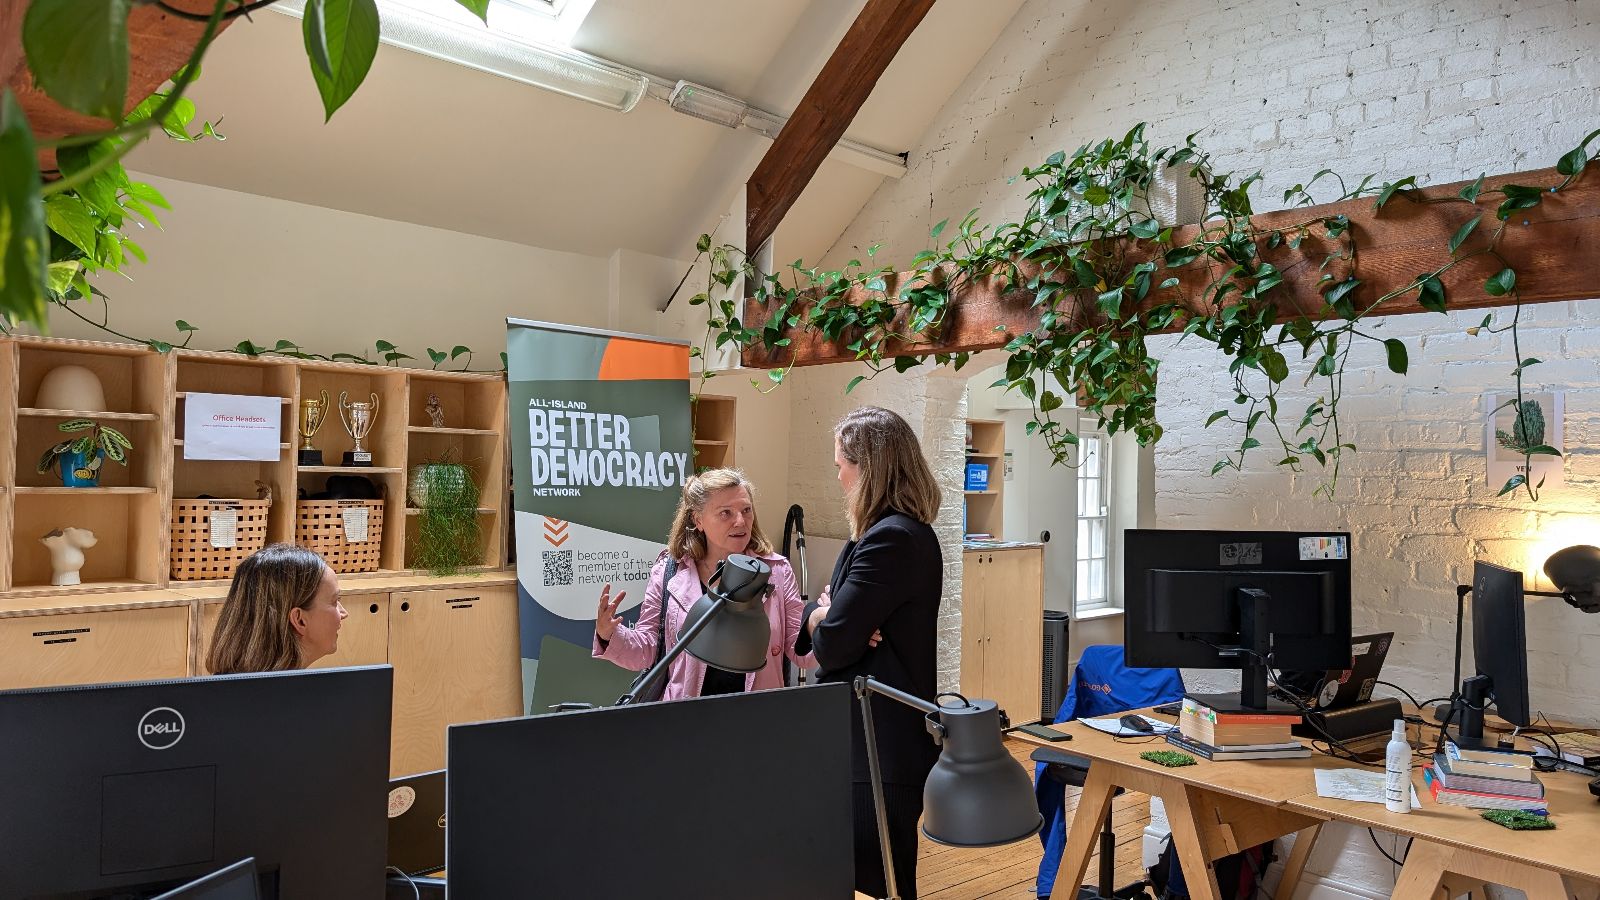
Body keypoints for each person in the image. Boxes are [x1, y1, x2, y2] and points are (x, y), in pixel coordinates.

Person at [795, 406, 943, 900]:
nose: (838, 476)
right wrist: (829, 617)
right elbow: (830, 628)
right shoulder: (889, 536)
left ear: (868, 467)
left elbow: (833, 643)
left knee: (882, 881)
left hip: (879, 742)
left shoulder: (892, 540)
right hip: (869, 738)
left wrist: (826, 617)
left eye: (841, 464)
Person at [593, 468, 822, 699]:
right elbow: (649, 648)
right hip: (688, 718)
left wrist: (821, 622)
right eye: (726, 513)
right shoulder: (669, 571)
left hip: (756, 717)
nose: (740, 521)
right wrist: (609, 634)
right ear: (698, 519)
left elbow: (799, 648)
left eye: (746, 510)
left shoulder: (777, 572)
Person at [207, 544, 348, 675]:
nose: (344, 613)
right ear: (299, 620)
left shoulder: (229, 693)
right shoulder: (290, 699)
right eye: (335, 601)